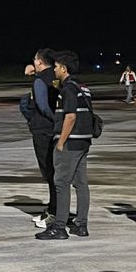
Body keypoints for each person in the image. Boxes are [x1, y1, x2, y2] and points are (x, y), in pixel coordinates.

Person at [36, 51, 93, 240]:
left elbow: (70, 116)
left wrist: (60, 141)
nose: (54, 70)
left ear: (64, 68)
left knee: (61, 182)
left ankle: (59, 226)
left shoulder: (68, 89)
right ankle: (81, 225)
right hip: (83, 141)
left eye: (57, 67)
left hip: (70, 141)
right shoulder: (83, 87)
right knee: (81, 183)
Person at [22, 49, 60, 229]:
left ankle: (55, 211)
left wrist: (52, 120)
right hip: (56, 129)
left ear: (39, 62)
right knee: (55, 171)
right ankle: (53, 208)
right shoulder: (57, 76)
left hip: (43, 130)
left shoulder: (40, 81)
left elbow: (43, 106)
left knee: (49, 171)